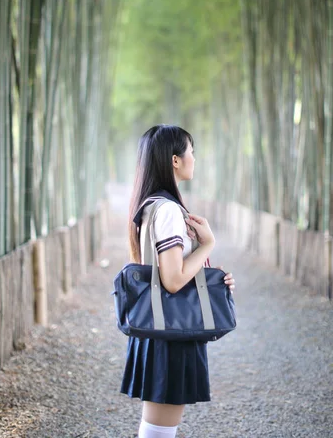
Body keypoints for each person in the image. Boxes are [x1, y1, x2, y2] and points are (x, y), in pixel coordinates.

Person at [120, 124, 236, 438]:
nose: (194, 158)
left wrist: (214, 281)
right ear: (175, 160)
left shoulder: (150, 206)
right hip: (173, 332)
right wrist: (209, 244)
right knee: (159, 431)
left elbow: (170, 273)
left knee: (156, 428)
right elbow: (172, 280)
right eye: (191, 151)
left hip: (160, 327)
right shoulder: (168, 210)